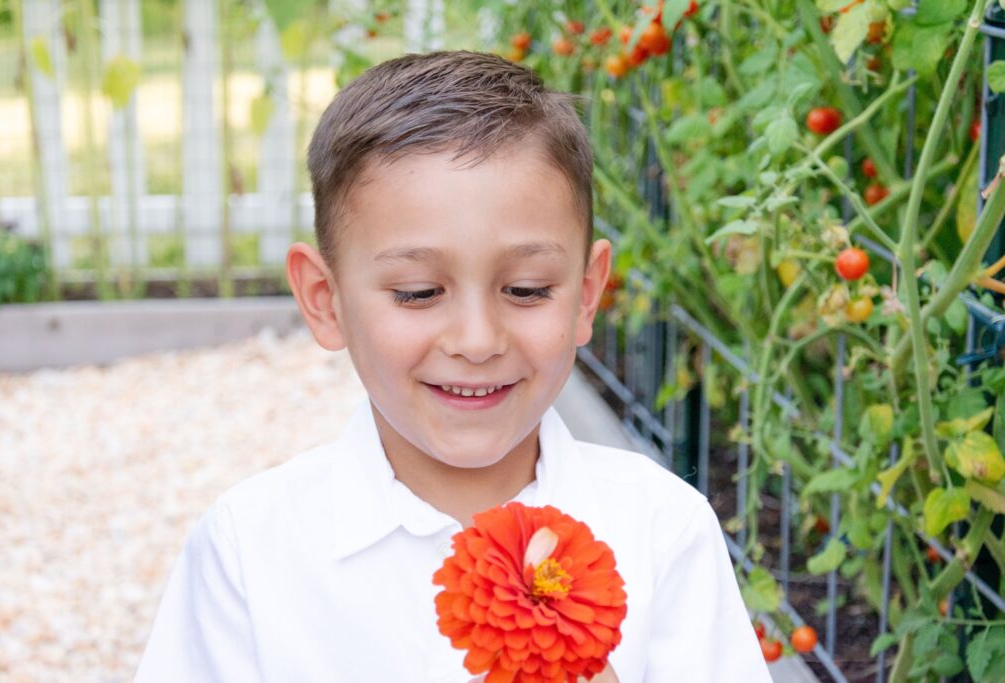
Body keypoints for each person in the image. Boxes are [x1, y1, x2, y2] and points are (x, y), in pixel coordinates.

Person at [134, 50, 772, 682]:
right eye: (417, 292)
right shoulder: (251, 551)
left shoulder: (661, 532)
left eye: (525, 290)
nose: (476, 340)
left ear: (586, 294)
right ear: (325, 301)